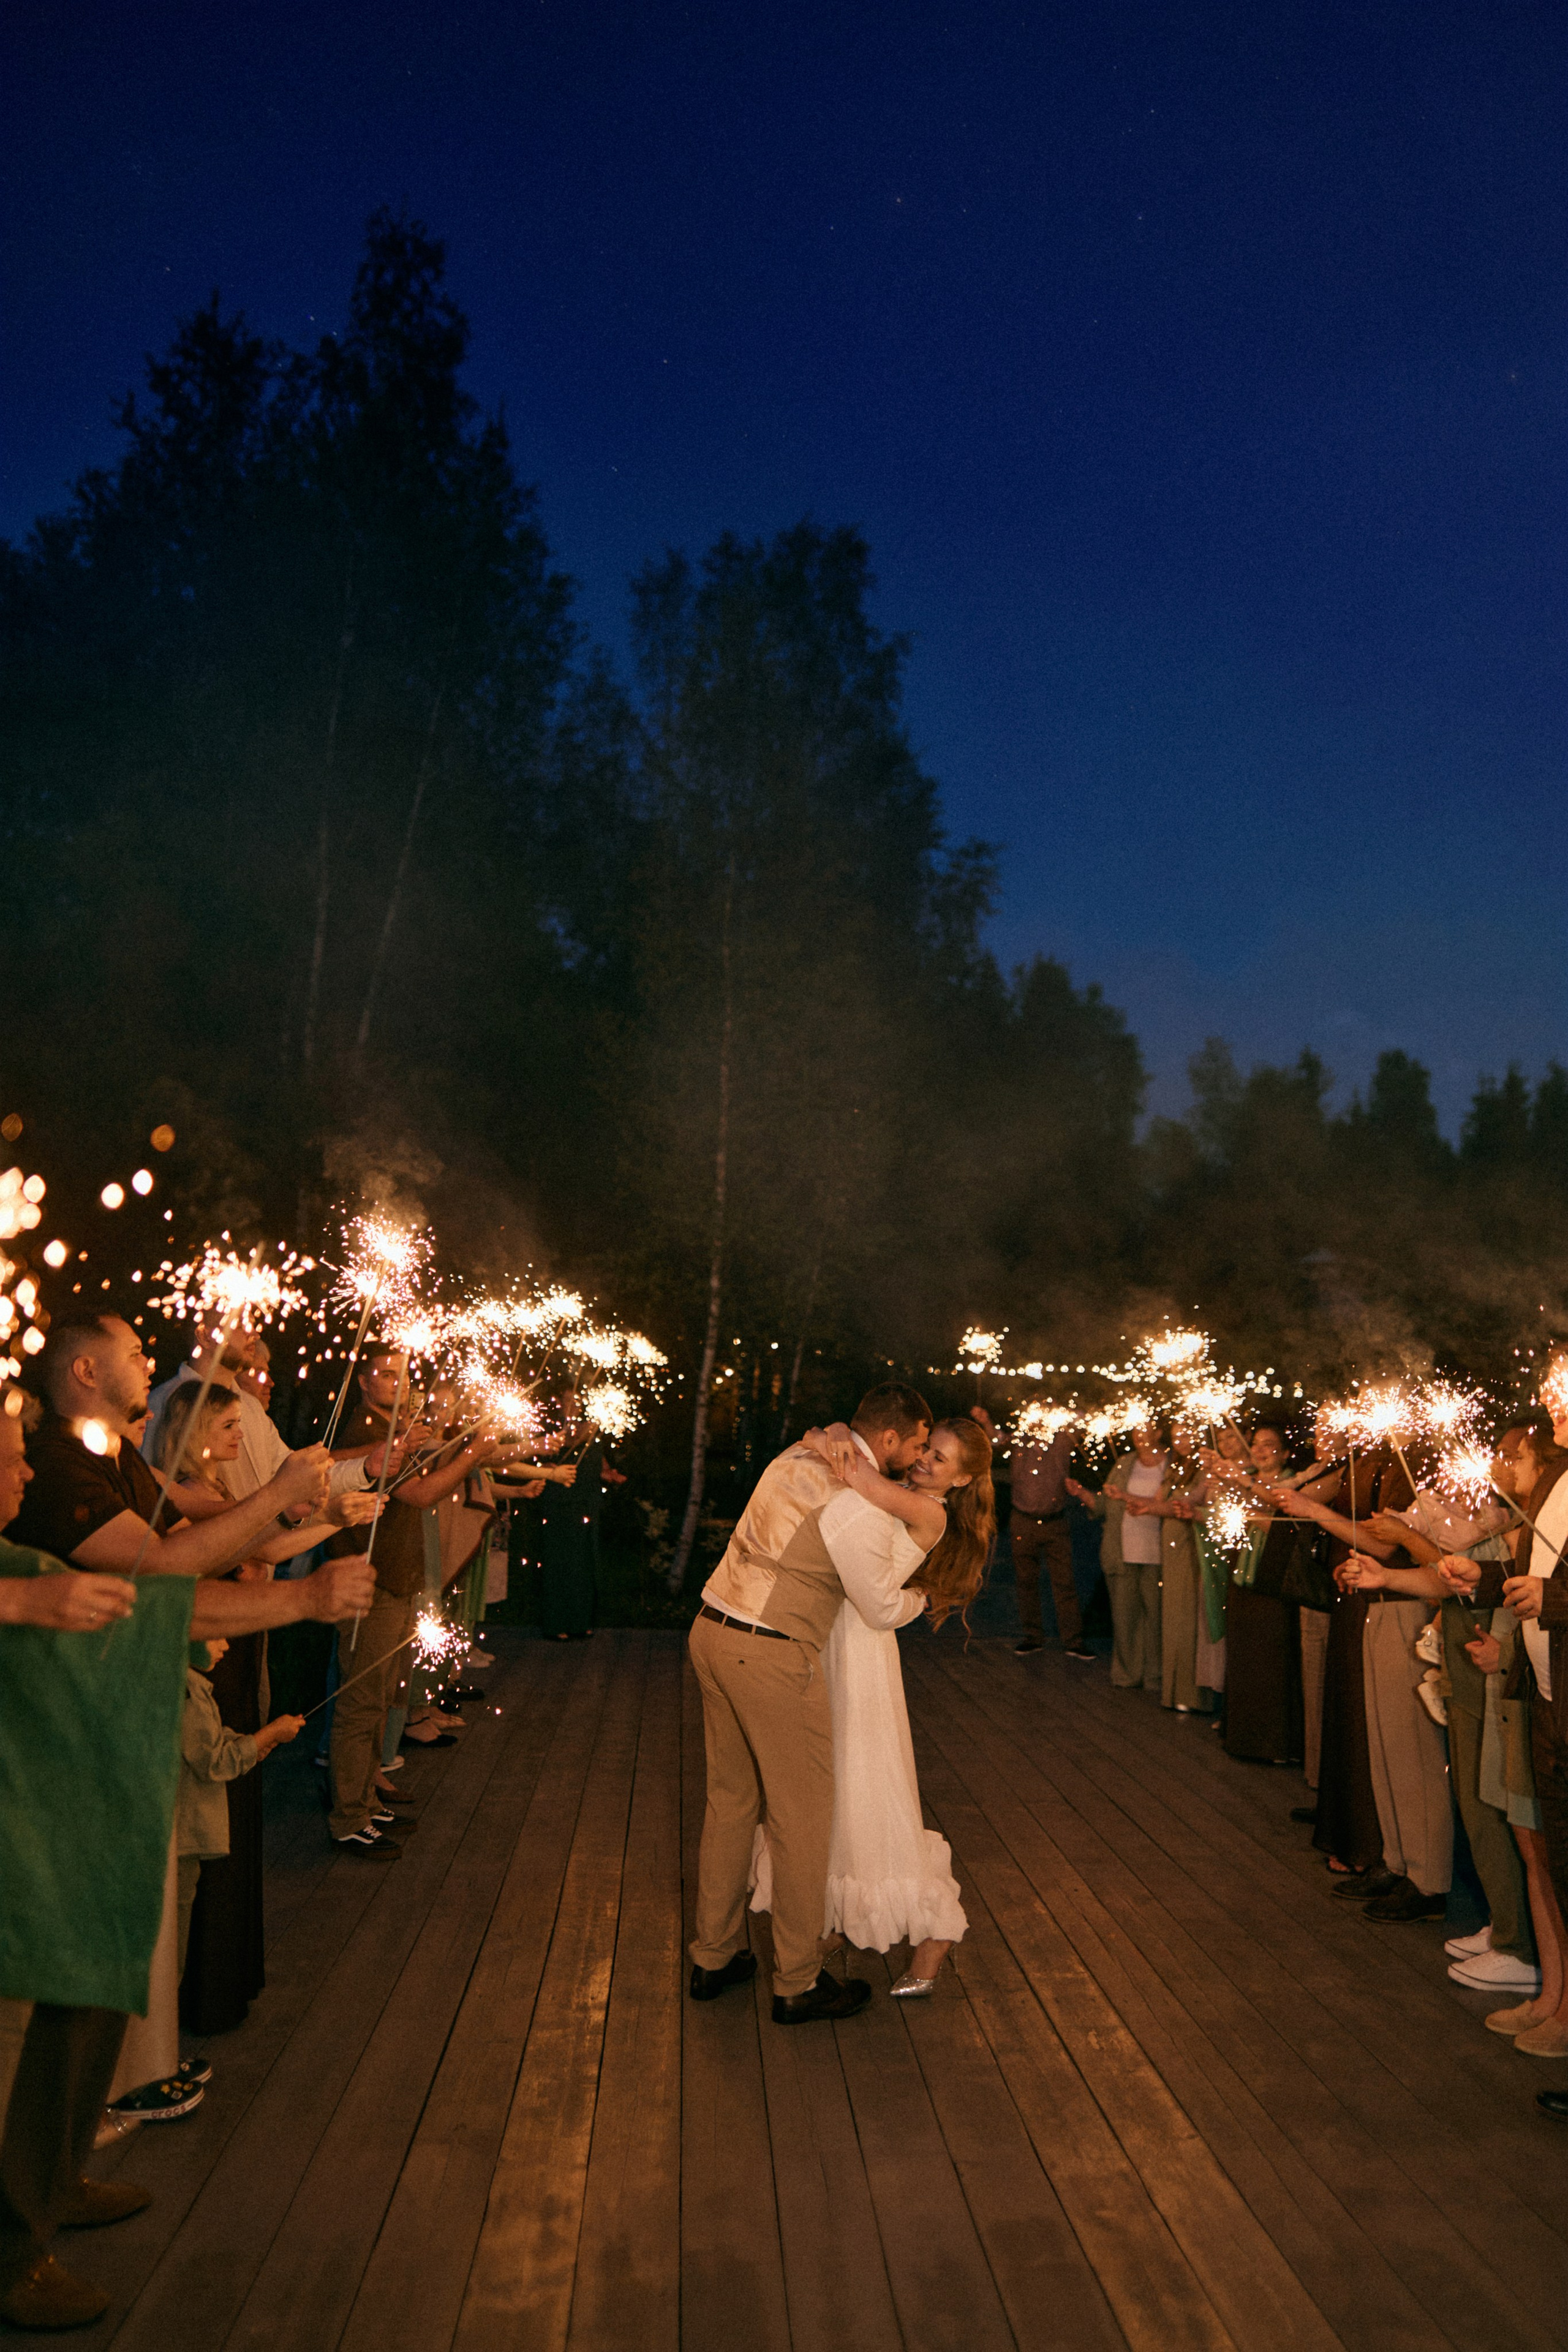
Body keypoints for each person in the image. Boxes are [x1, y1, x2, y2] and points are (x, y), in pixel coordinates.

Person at [0, 1365, 374, 2332]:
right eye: (2, 1462)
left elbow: (170, 1604)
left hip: (73, 1788)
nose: (17, 1477)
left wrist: (303, 1590)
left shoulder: (28, 1557)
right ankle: (9, 2249)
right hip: (29, 1811)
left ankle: (47, 2184)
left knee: (87, 1994)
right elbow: (156, 1585)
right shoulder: (31, 1555)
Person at [687, 1382, 933, 2025]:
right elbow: (877, 1605)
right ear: (887, 1440)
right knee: (801, 1822)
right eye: (915, 1444)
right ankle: (795, 1981)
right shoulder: (853, 1500)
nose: (917, 1456)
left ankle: (713, 1957)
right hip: (769, 1653)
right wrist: (926, 1596)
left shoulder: (795, 1457)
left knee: (731, 1803)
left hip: (711, 1630)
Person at [752, 1416, 992, 1994]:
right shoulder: (903, 1492)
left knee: (868, 1787)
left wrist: (829, 1435)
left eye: (941, 1459)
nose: (926, 1461)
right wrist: (830, 1430)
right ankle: (837, 1915)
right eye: (928, 1448)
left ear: (960, 1481)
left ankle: (935, 1931)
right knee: (832, 1786)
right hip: (833, 1639)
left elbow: (856, 1478)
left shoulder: (928, 1511)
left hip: (863, 1651)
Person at [176, 1640, 303, 1980]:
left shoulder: (192, 1687)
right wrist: (268, 1734)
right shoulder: (186, 1694)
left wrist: (255, 1742)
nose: (226, 1645)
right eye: (215, 1637)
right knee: (174, 1953)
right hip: (183, 1841)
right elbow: (214, 1762)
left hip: (183, 1840)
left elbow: (212, 1740)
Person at [1066, 1423, 1166, 1691]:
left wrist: (1126, 1496)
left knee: (1156, 1618)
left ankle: (1155, 1677)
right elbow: (1105, 1504)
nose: (1140, 1436)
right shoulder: (1124, 1463)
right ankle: (1127, 1674)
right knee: (1124, 1618)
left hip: (1159, 1553)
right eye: (1136, 1431)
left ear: (1158, 1433)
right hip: (1122, 1550)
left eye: (1147, 1430)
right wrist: (1083, 1493)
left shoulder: (1171, 1465)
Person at [1000, 1409, 1091, 1660]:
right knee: (1026, 1581)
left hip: (1055, 1521)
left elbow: (1084, 1421)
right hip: (1023, 1521)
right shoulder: (1019, 1440)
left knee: (1064, 1582)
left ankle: (1073, 1641)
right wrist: (985, 1421)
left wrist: (1071, 1413)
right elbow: (996, 1440)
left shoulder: (1063, 1438)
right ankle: (1033, 1637)